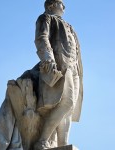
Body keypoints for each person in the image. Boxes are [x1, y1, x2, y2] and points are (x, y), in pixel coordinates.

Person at [34, 0, 83, 149]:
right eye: (61, 3)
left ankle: (62, 144)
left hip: (74, 69)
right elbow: (41, 38)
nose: (64, 7)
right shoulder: (46, 18)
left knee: (70, 108)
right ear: (51, 5)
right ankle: (42, 140)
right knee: (66, 103)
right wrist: (48, 59)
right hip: (61, 66)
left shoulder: (70, 26)